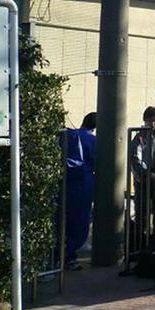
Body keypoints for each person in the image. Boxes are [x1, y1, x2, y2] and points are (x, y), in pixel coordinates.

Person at [62, 112, 97, 270]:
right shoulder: (93, 140)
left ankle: (61, 255)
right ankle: (70, 255)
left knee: (65, 219)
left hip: (67, 183)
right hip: (84, 183)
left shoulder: (71, 135)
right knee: (80, 219)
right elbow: (97, 162)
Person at [129, 106, 155, 251]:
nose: (152, 124)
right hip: (143, 180)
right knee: (142, 213)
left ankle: (154, 241)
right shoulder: (139, 137)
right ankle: (140, 245)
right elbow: (135, 158)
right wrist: (145, 174)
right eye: (150, 121)